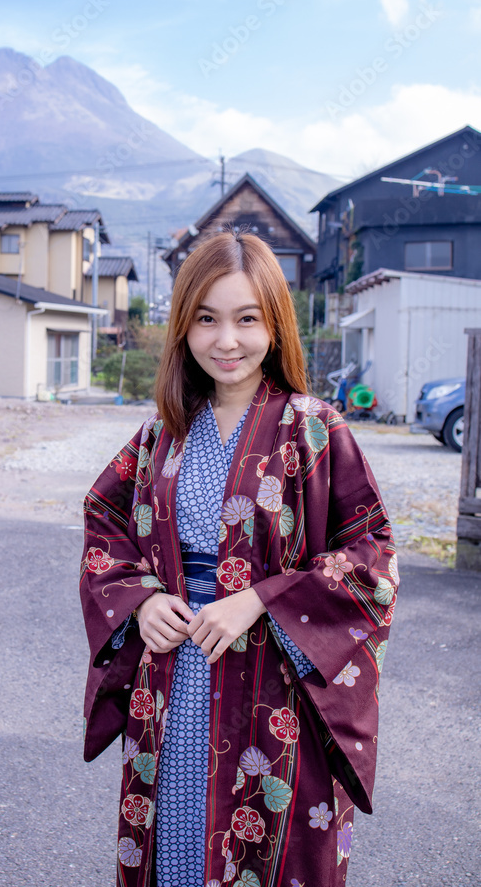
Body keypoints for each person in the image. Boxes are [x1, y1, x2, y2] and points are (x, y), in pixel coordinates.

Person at [80, 230, 397, 887]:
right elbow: (105, 523)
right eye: (206, 319)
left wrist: (260, 599)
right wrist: (139, 600)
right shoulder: (158, 434)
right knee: (174, 843)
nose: (226, 341)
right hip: (171, 678)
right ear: (183, 328)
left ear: (275, 326)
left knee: (269, 842)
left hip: (277, 685)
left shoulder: (314, 427)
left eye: (246, 319)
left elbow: (371, 555)